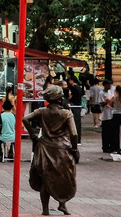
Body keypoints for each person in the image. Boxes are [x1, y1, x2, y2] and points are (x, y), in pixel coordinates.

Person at [22, 85, 79, 216]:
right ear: (59, 99)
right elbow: (74, 134)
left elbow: (25, 119)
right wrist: (75, 148)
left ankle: (45, 209)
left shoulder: (42, 111)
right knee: (65, 177)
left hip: (44, 148)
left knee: (45, 179)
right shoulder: (66, 114)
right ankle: (62, 204)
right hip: (62, 150)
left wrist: (33, 136)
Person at [100, 79, 118, 152]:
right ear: (104, 85)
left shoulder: (111, 92)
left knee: (112, 132)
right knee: (106, 132)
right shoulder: (101, 93)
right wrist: (107, 101)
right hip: (105, 115)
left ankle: (112, 146)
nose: (110, 86)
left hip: (112, 113)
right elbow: (101, 103)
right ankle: (105, 147)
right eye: (108, 85)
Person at [67, 78, 85, 144]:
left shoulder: (73, 88)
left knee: (73, 122)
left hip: (73, 105)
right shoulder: (79, 87)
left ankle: (74, 138)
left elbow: (70, 97)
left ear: (72, 80)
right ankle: (78, 139)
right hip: (78, 105)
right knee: (77, 122)